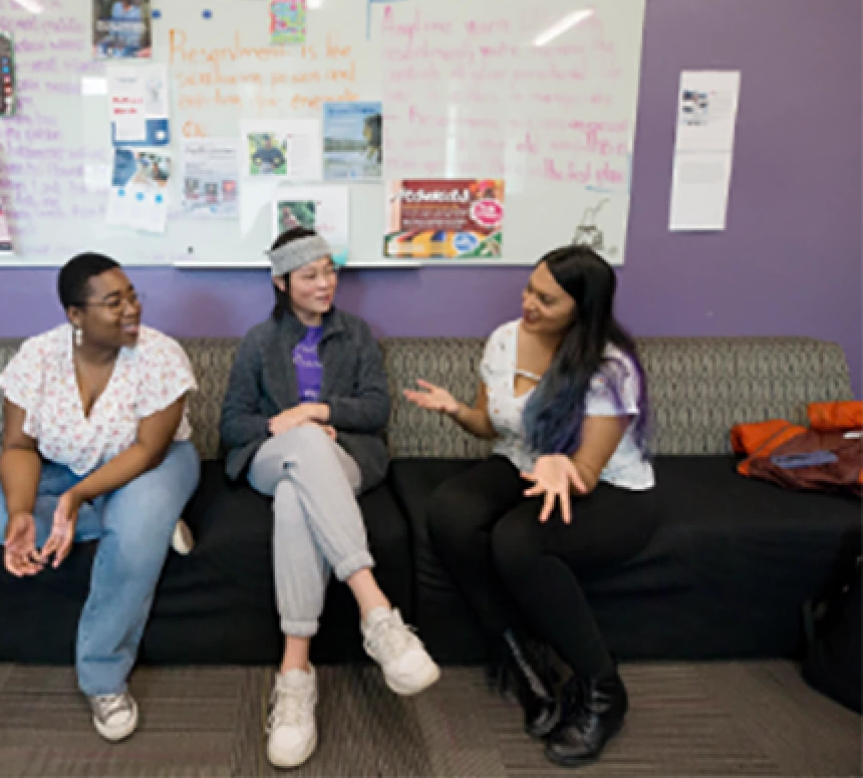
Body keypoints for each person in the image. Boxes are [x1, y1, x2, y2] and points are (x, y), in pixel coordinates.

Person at [404, 245, 657, 768]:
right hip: (522, 461)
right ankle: (522, 657)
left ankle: (603, 691)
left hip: (604, 485)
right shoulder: (503, 340)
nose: (529, 304)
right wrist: (455, 409)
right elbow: (490, 425)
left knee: (517, 541)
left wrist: (559, 465)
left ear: (580, 309)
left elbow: (585, 471)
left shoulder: (609, 368)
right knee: (450, 511)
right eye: (528, 289)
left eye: (546, 298)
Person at [221, 227, 440, 769]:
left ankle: (295, 677)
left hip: (342, 456)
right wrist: (288, 428)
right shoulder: (257, 342)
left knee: (299, 494)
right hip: (272, 457)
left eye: (330, 270)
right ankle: (377, 613)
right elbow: (232, 424)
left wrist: (316, 413)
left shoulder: (358, 334)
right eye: (310, 275)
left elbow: (376, 410)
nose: (325, 283)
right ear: (281, 282)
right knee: (300, 455)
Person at [0, 253, 200, 744]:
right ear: (76, 315)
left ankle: (103, 677)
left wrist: (75, 499)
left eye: (132, 295)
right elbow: (18, 447)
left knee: (134, 536)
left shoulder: (160, 354)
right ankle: (150, 523)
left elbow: (147, 450)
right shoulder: (36, 357)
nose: (131, 309)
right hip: (61, 463)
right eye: (113, 303)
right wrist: (20, 513)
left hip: (152, 464)